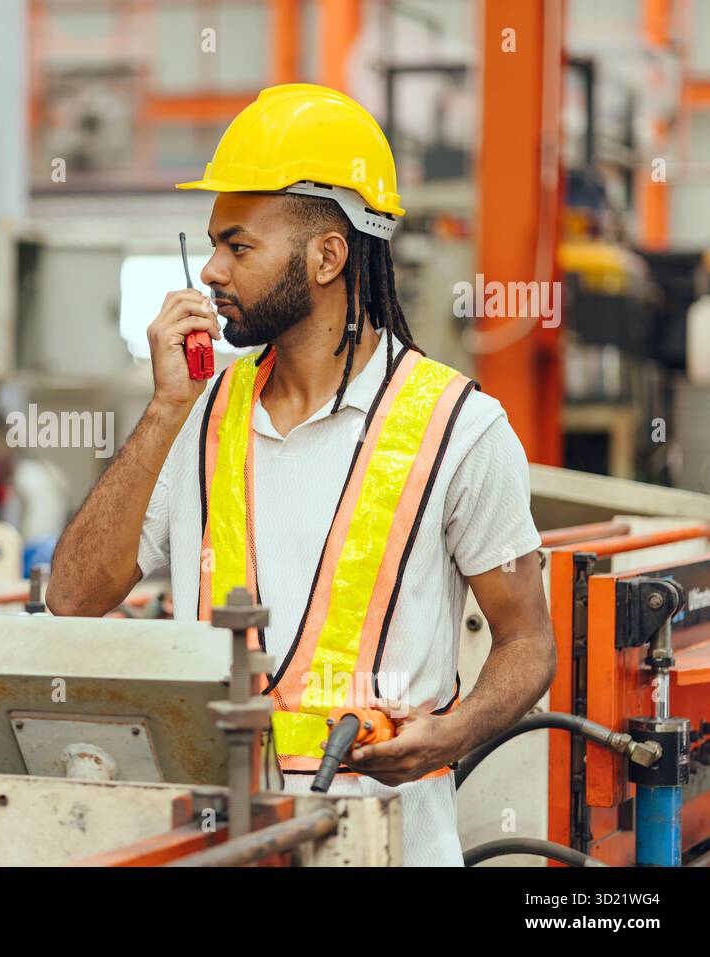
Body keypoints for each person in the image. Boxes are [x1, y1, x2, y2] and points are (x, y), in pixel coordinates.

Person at [46, 84, 555, 866]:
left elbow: (526, 640)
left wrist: (451, 734)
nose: (212, 270)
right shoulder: (197, 416)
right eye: (213, 243)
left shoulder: (461, 428)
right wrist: (162, 409)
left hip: (390, 848)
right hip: (216, 841)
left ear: (327, 256)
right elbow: (74, 598)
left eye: (239, 245)